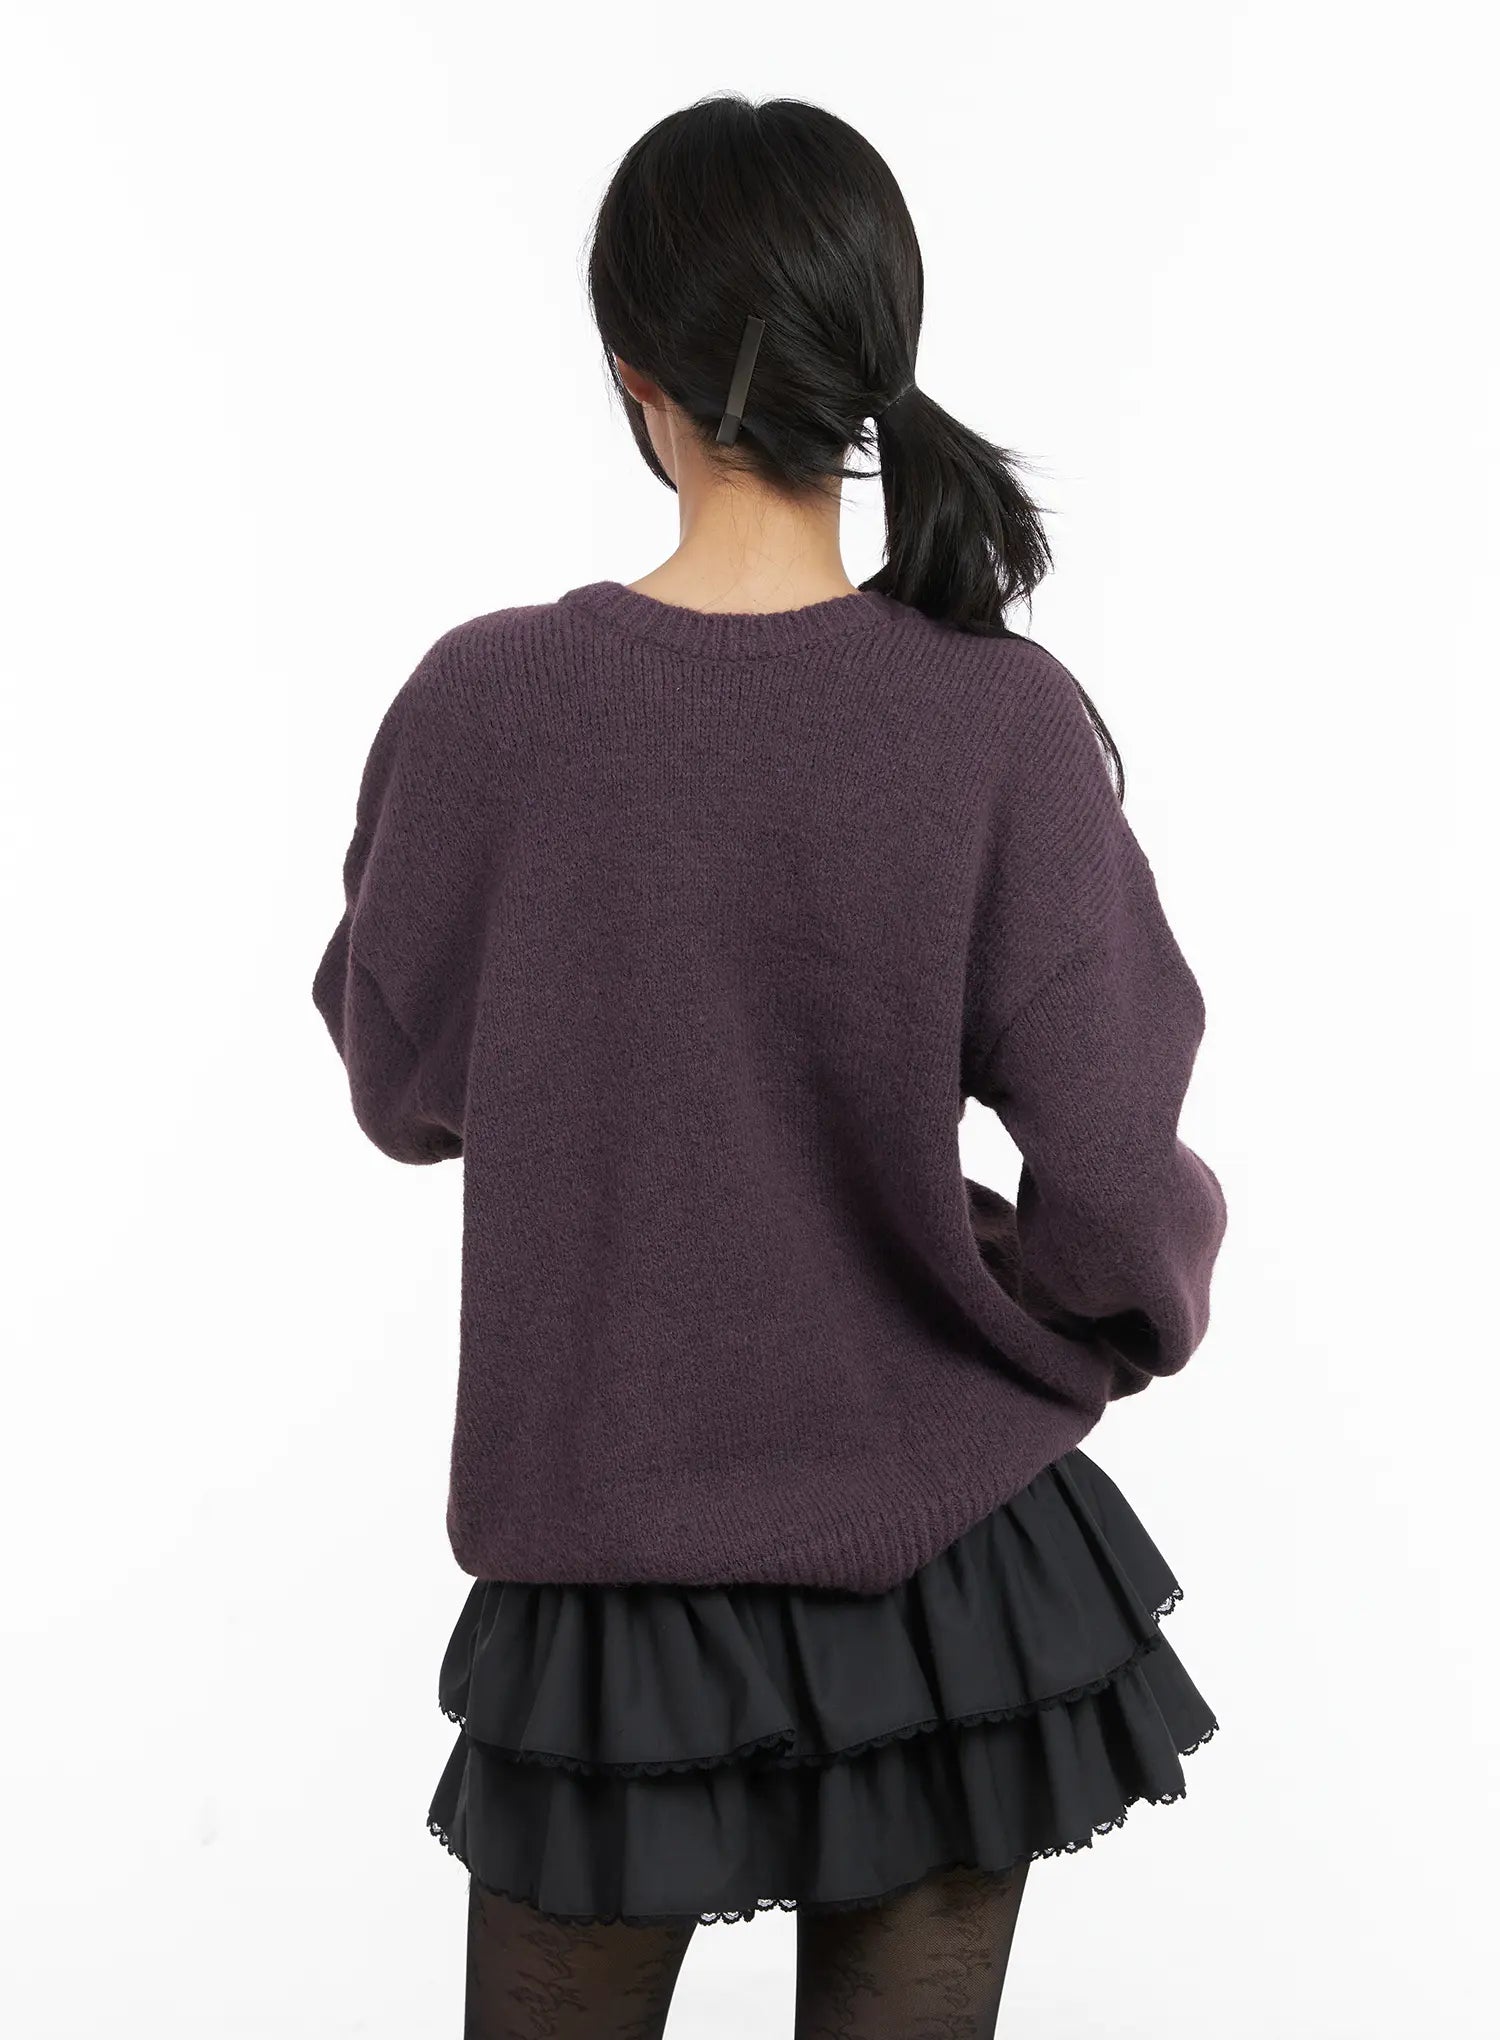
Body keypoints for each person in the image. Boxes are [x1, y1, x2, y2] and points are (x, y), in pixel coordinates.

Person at [312, 92, 1229, 2040]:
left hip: (610, 1577)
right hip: (952, 1580)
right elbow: (1115, 1190)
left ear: (631, 374)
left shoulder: (490, 706)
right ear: (870, 367)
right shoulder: (998, 721)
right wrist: (1074, 1314)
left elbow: (400, 1081)